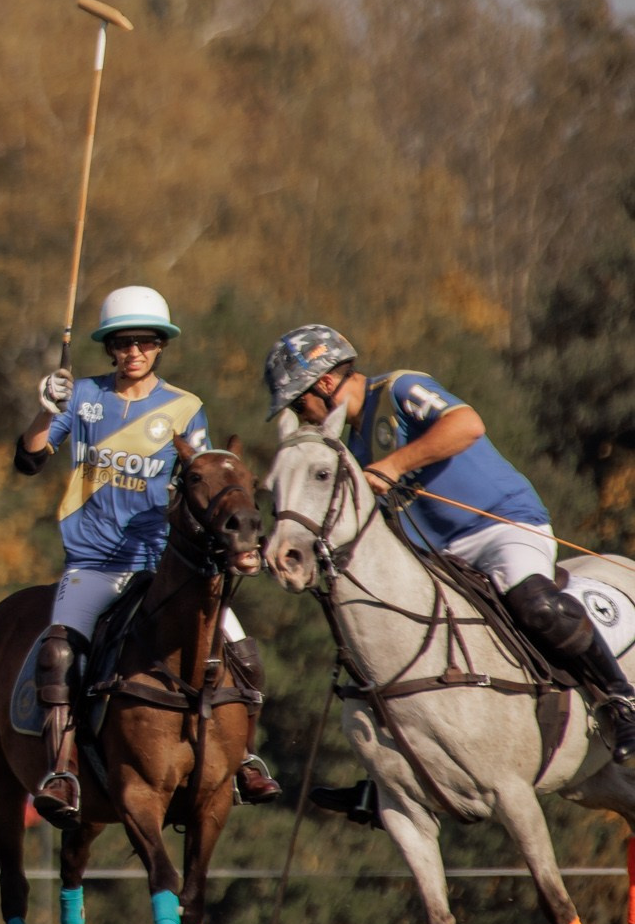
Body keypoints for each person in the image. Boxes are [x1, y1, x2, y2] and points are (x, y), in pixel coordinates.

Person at [264, 324, 635, 825]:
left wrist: (394, 465)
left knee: (534, 603)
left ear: (325, 383)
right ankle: (395, 778)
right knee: (386, 641)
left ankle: (620, 699)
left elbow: (466, 425)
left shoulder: (398, 389)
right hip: (439, 555)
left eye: (298, 401)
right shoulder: (349, 447)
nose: (300, 414)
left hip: (501, 526)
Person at [17, 287, 283, 828]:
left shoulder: (186, 408)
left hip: (162, 564)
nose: (134, 351)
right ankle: (62, 770)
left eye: (145, 341)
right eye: (123, 342)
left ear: (160, 346)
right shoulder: (82, 396)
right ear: (109, 347)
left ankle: (244, 757)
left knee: (243, 653)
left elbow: (204, 482)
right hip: (93, 562)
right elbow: (30, 458)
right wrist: (45, 412)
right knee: (60, 655)